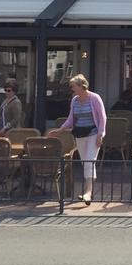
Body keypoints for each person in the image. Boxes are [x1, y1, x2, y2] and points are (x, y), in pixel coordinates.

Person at [48, 74, 105, 206]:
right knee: (85, 162)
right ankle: (89, 189)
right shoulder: (75, 100)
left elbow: (102, 118)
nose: (71, 88)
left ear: (81, 86)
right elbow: (71, 119)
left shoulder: (94, 98)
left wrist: (100, 134)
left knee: (90, 161)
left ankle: (88, 192)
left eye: (73, 86)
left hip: (92, 133)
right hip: (79, 134)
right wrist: (60, 130)